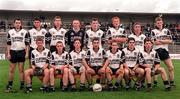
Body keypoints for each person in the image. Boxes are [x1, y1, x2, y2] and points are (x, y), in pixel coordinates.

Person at [5, 18, 29, 92]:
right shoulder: (10, 32)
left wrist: (27, 53)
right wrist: (8, 53)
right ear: (14, 24)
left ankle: (22, 85)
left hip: (22, 52)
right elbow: (8, 44)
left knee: (21, 70)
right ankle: (10, 85)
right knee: (12, 70)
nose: (18, 24)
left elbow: (27, 44)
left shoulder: (25, 32)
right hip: (13, 52)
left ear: (21, 24)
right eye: (16, 23)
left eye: (19, 23)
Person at [151, 17, 175, 87]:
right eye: (158, 23)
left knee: (171, 67)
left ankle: (172, 83)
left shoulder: (167, 31)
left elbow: (170, 41)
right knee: (154, 68)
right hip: (156, 51)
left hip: (164, 51)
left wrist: (161, 41)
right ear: (155, 23)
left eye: (160, 22)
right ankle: (154, 82)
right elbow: (154, 42)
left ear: (162, 22)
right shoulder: (153, 31)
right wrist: (165, 41)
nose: (159, 24)